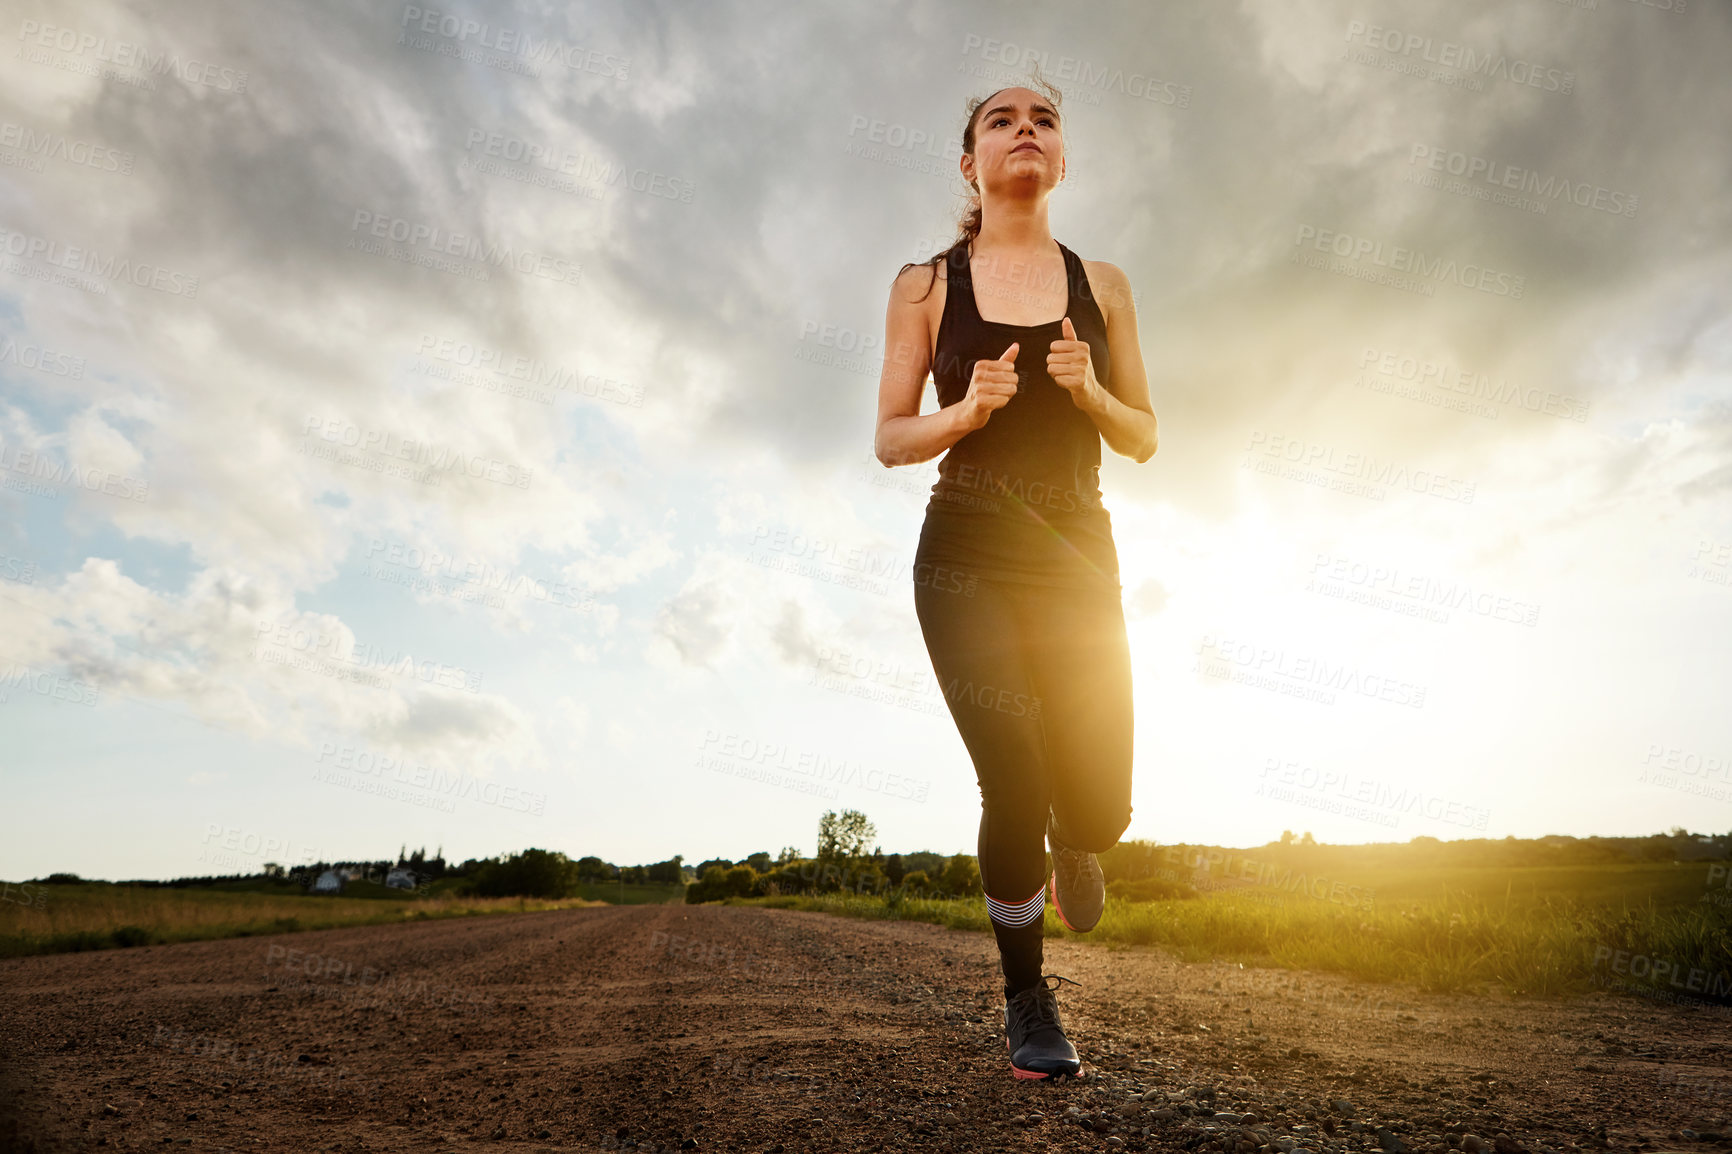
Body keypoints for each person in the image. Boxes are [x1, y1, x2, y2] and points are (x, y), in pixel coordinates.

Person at [873, 77, 1159, 1081]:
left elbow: (1146, 436)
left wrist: (1088, 392)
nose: (1024, 130)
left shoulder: (1106, 284)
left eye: (1043, 120)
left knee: (1099, 803)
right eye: (1002, 119)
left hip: (1077, 554)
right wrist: (962, 415)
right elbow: (888, 437)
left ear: (1063, 160)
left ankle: (1079, 839)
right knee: (1013, 774)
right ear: (971, 162)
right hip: (965, 555)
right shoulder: (925, 283)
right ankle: (1027, 999)